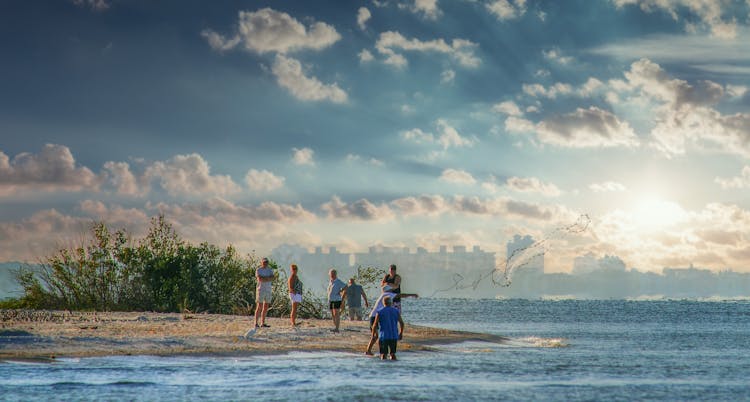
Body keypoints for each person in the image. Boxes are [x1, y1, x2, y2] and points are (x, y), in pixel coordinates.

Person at [365, 285, 418, 356]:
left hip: (374, 315)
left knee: (377, 335)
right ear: (388, 290)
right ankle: (368, 351)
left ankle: (370, 350)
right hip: (375, 315)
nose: (392, 291)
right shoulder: (387, 294)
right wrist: (412, 295)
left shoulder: (383, 294)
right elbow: (400, 295)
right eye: (391, 290)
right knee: (375, 336)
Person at [371, 295, 404, 360]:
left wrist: (373, 334)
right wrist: (401, 333)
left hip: (384, 336)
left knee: (383, 354)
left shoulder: (380, 311)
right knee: (393, 354)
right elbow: (401, 323)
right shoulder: (396, 311)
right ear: (391, 303)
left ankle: (384, 368)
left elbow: (375, 324)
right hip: (394, 335)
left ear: (383, 303)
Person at [254, 257, 274, 328]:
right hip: (261, 289)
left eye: (266, 262)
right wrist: (267, 278)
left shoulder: (270, 270)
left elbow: (272, 278)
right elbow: (260, 279)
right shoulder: (258, 270)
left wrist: (265, 278)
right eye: (264, 262)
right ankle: (256, 323)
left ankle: (263, 323)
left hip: (268, 289)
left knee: (266, 307)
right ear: (261, 262)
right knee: (259, 306)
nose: (265, 263)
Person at [327, 269, 347, 333]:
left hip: (337, 299)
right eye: (331, 274)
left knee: (336, 313)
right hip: (330, 299)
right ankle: (335, 326)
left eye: (333, 274)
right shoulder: (331, 281)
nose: (332, 275)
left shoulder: (338, 281)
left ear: (336, 274)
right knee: (332, 313)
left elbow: (346, 286)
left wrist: (341, 291)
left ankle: (337, 328)